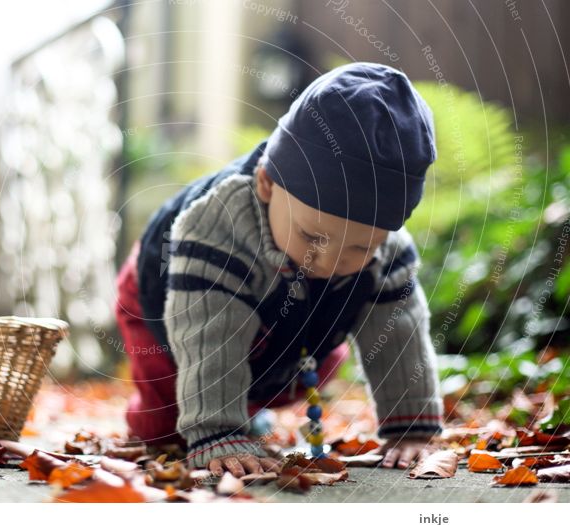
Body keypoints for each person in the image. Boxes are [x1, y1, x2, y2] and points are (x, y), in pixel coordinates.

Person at [114, 62, 444, 477]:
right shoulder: (218, 226)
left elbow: (399, 333)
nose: (327, 262)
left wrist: (411, 427)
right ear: (267, 184)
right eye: (312, 238)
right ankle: (203, 416)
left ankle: (247, 408)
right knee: (165, 420)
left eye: (360, 247)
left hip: (283, 316)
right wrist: (217, 432)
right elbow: (209, 335)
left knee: (309, 366)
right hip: (168, 302)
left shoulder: (388, 251)